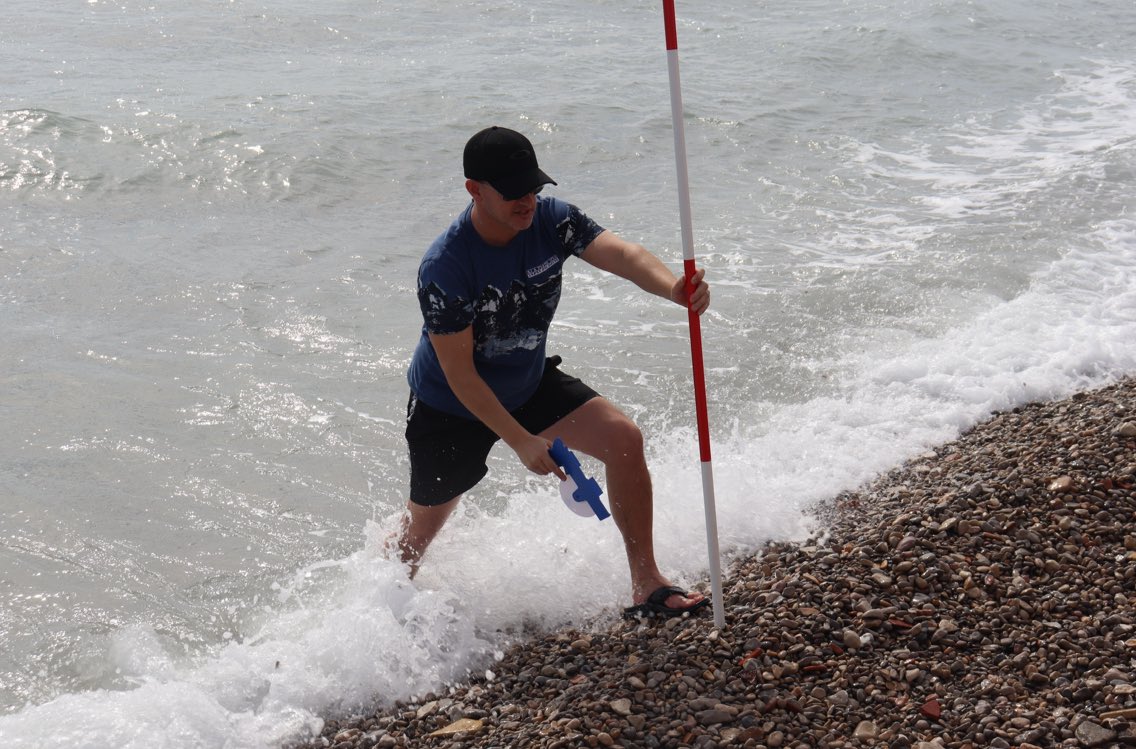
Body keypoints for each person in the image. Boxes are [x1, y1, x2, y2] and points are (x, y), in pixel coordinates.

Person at [395, 125, 711, 619]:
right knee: (419, 533)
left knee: (623, 439)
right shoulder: (445, 265)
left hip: (527, 380)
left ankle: (646, 582)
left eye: (533, 187)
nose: (527, 200)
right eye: (512, 191)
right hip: (451, 406)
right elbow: (460, 374)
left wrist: (672, 288)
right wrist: (521, 440)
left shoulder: (551, 222)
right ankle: (381, 615)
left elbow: (623, 254)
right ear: (474, 190)